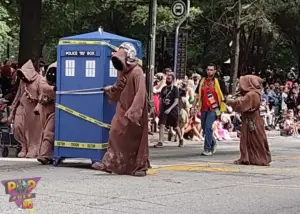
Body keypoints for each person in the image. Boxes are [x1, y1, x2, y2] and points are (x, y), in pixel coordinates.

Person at [92, 42, 149, 177]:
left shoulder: (137, 72)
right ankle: (112, 163)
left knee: (136, 139)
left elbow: (141, 93)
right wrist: (109, 90)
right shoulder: (122, 72)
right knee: (115, 132)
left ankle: (140, 166)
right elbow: (118, 87)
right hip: (122, 108)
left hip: (135, 110)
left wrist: (135, 111)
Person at [226, 75, 271, 166]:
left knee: (252, 139)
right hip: (252, 119)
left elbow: (241, 104)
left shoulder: (252, 94)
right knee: (252, 139)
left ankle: (255, 158)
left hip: (251, 120)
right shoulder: (254, 93)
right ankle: (251, 158)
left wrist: (230, 101)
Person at [8, 60, 43, 158]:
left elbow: (42, 96)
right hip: (22, 107)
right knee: (17, 126)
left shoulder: (39, 80)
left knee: (33, 131)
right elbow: (18, 95)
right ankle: (23, 146)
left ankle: (33, 148)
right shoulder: (23, 81)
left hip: (34, 110)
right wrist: (12, 110)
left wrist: (35, 100)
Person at [195, 63, 226, 156]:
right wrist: (193, 107)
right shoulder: (202, 81)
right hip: (203, 107)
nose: (209, 71)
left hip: (215, 108)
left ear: (215, 71)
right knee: (205, 128)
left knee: (208, 127)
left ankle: (207, 149)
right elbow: (197, 95)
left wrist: (222, 111)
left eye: (211, 69)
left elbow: (224, 98)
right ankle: (213, 142)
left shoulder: (219, 81)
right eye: (208, 69)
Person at [34, 62, 56, 164]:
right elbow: (44, 86)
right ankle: (50, 154)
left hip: (56, 110)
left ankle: (44, 154)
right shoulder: (43, 80)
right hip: (45, 107)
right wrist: (53, 88)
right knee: (45, 130)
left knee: (49, 131)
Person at [154, 73, 184, 148]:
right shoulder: (164, 88)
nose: (167, 80)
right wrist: (160, 109)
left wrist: (170, 109)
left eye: (169, 79)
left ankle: (181, 138)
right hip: (164, 109)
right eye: (167, 78)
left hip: (172, 110)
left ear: (172, 80)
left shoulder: (175, 89)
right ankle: (160, 141)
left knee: (175, 126)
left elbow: (176, 101)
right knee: (161, 125)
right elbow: (161, 99)